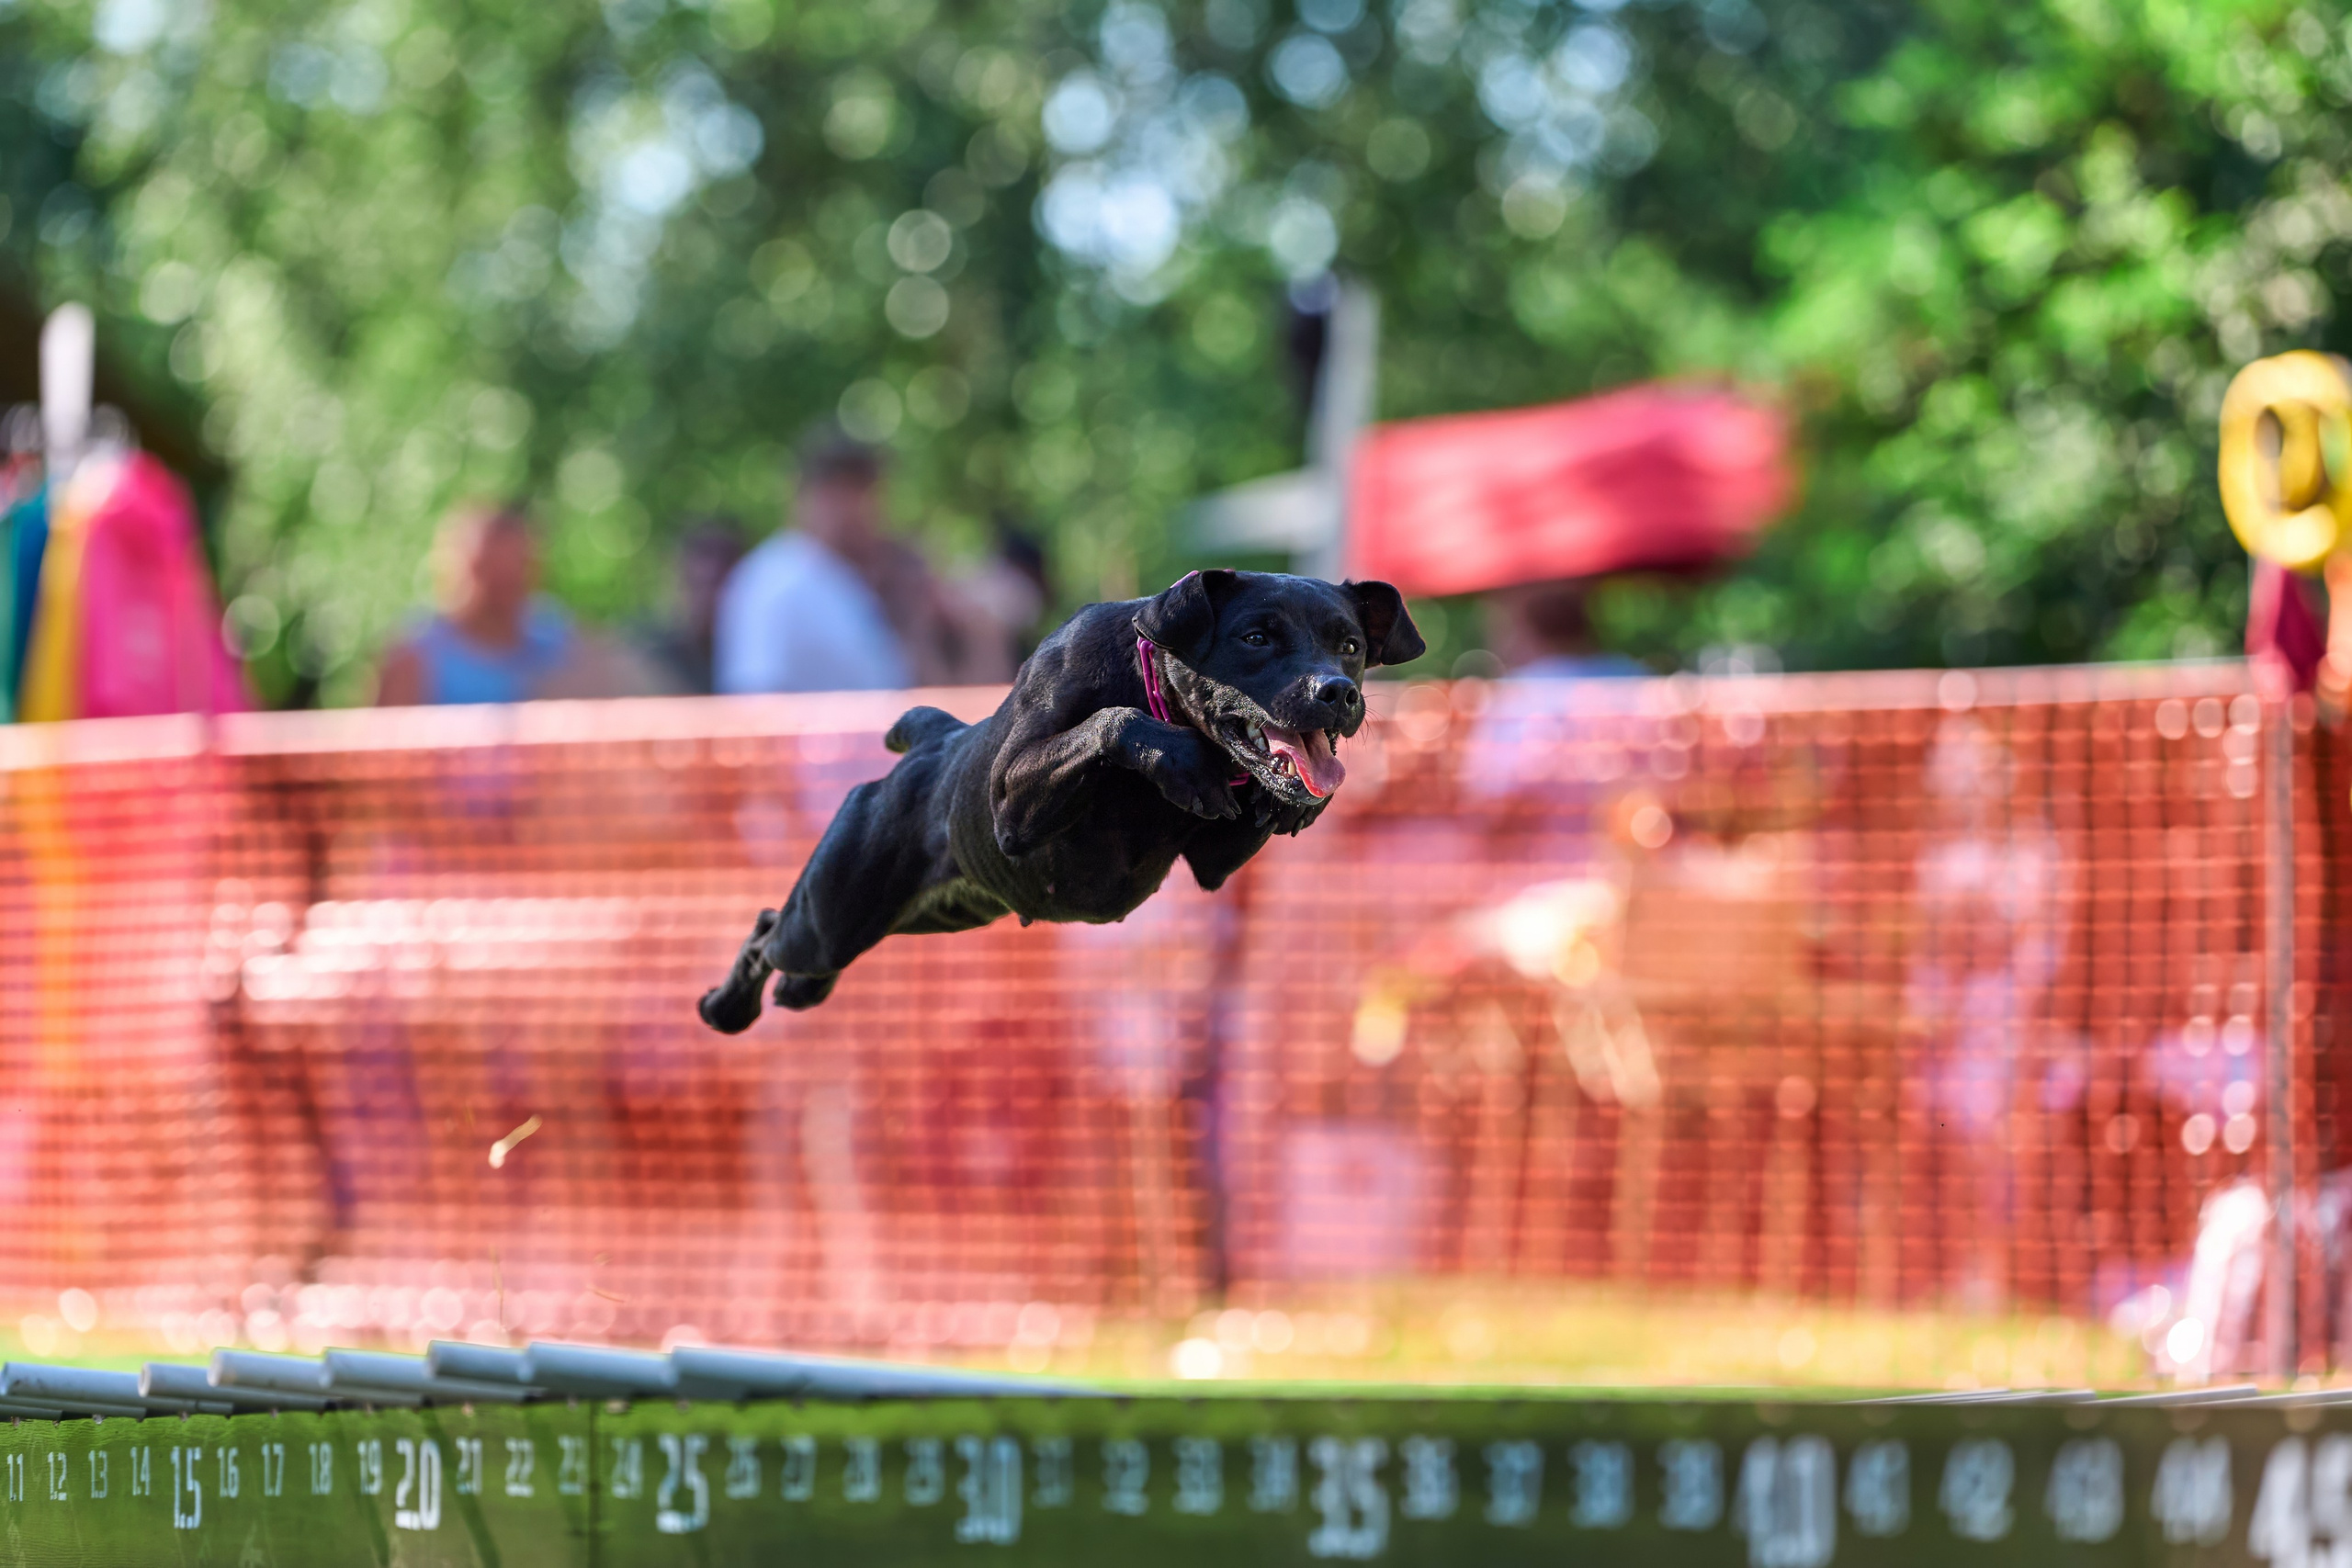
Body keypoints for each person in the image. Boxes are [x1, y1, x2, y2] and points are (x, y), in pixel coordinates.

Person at [376, 503, 659, 705]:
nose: (503, 582)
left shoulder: (556, 637)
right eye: (488, 569)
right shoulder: (416, 656)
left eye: (517, 567)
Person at [715, 429, 923, 694]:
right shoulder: (776, 581)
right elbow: (756, 697)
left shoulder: (840, 577)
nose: (874, 511)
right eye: (861, 492)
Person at [635, 519, 746, 695]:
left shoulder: (750, 652)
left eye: (716, 585)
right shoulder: (656, 655)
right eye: (696, 585)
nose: (706, 599)